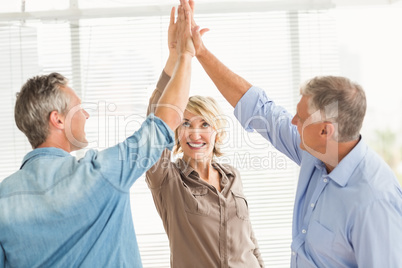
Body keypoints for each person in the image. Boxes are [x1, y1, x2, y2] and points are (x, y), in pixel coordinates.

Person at [187, 1, 402, 267]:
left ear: (325, 130)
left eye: (300, 118)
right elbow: (260, 109)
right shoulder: (319, 152)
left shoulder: (374, 200)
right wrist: (200, 52)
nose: (293, 120)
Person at [0, 1, 195, 267]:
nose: (86, 115)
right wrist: (184, 54)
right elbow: (166, 120)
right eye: (79, 108)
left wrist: (174, 58)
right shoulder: (99, 174)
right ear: (57, 119)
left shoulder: (4, 198)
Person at [144, 4, 264, 268]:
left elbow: (250, 243)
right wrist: (175, 58)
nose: (195, 132)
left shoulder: (232, 176)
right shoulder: (167, 179)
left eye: (204, 124)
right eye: (186, 123)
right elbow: (153, 126)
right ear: (176, 131)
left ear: (217, 132)